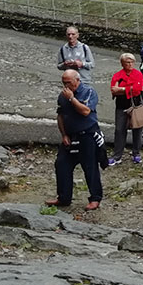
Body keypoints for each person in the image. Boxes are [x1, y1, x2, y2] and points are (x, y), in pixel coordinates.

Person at [47, 70, 103, 210]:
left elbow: (85, 111)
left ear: (77, 80)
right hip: (70, 135)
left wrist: (72, 99)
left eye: (68, 82)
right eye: (63, 82)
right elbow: (60, 115)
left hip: (87, 135)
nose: (66, 85)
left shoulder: (89, 92)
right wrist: (64, 135)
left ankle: (95, 198)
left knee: (90, 166)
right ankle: (64, 197)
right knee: (62, 164)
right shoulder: (63, 95)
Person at [109, 53, 143, 166]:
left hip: (136, 105)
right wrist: (129, 89)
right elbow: (113, 90)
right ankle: (117, 155)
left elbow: (138, 89)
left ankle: (136, 153)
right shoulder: (117, 75)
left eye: (131, 62)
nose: (130, 64)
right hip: (121, 105)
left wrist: (122, 89)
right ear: (122, 63)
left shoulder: (138, 74)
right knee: (119, 130)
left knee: (137, 129)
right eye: (127, 62)